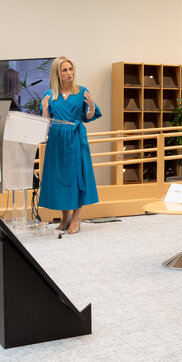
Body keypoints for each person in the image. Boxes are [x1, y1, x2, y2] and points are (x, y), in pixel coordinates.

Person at [38, 56, 102, 234]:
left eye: (71, 69)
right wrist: (44, 109)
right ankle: (65, 216)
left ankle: (76, 217)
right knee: (59, 177)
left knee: (76, 176)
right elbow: (45, 122)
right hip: (57, 139)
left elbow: (88, 117)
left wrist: (90, 106)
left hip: (75, 137)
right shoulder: (49, 94)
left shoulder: (81, 92)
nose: (69, 73)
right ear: (57, 73)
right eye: (65, 70)